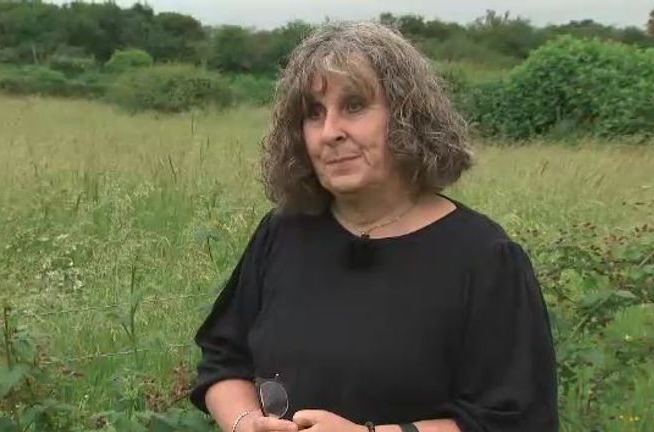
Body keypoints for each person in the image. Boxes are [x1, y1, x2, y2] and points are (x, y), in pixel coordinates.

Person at [189, 21, 558, 432]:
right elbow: (223, 359)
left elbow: (516, 419)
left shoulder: (485, 258)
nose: (330, 132)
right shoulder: (283, 232)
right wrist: (245, 424)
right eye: (314, 113)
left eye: (354, 105)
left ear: (408, 117)